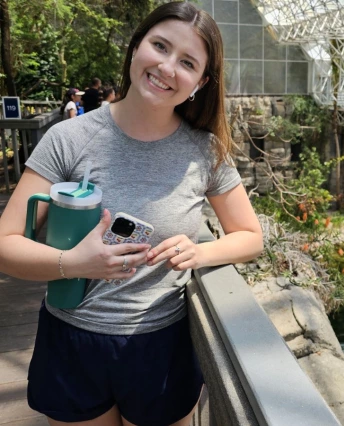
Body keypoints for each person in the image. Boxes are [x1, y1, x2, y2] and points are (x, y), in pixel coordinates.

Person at [0, 2, 263, 426]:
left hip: (162, 346)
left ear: (201, 82)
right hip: (72, 339)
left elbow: (250, 236)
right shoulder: (69, 138)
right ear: (136, 45)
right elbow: (4, 244)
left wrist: (199, 252)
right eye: (159, 46)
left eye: (188, 62)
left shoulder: (206, 151)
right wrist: (75, 263)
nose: (167, 67)